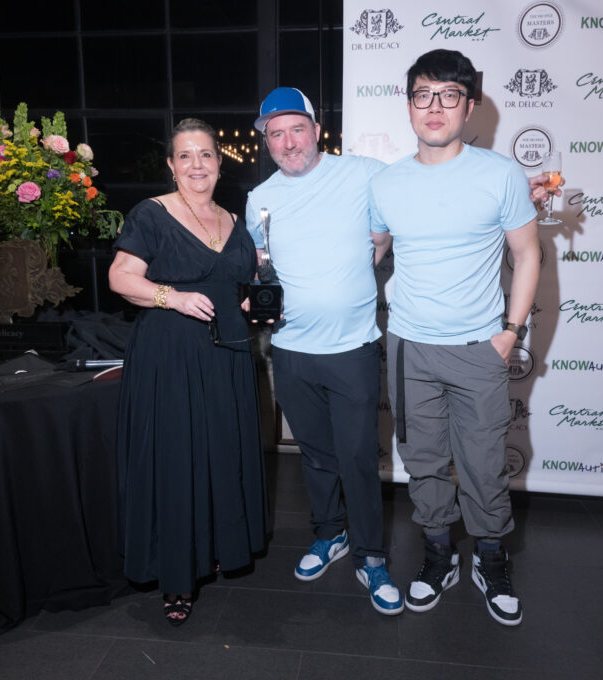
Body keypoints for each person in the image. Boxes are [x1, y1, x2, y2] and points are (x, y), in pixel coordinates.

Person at [368, 49, 541, 626]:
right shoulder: (386, 183)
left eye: (449, 95)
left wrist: (510, 332)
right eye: (423, 94)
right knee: (422, 461)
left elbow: (527, 253)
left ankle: (491, 559)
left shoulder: (501, 174)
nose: (434, 106)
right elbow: (373, 251)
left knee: (486, 464)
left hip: (478, 348)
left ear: (469, 106)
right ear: (409, 105)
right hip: (409, 347)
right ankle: (438, 555)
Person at [244, 88, 404, 615]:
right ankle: (329, 533)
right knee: (315, 455)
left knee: (357, 456)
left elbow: (390, 229)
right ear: (266, 141)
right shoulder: (260, 198)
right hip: (290, 350)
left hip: (352, 348)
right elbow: (263, 266)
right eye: (276, 133)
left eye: (297, 129)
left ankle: (372, 555)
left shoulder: (363, 173)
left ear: (316, 130)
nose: (288, 142)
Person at [109, 118, 268, 627]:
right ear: (172, 166)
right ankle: (176, 576)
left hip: (227, 355)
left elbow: (238, 284)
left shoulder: (234, 221)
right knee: (178, 459)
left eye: (205, 155)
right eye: (185, 155)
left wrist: (252, 302)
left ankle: (216, 546)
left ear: (220, 163)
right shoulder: (151, 214)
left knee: (221, 452)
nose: (196, 164)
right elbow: (120, 277)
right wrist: (171, 297)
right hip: (170, 356)